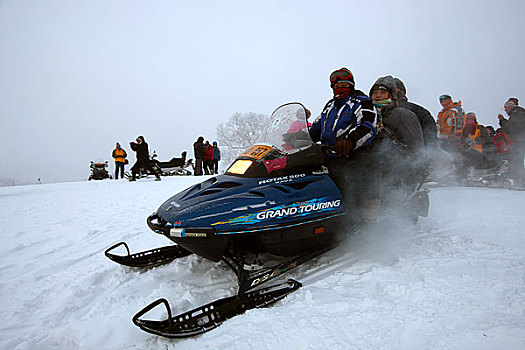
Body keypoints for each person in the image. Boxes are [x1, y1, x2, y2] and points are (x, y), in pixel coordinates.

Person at [309, 67, 379, 222]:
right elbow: (316, 128)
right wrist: (297, 136)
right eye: (335, 86)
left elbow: (367, 125)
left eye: (344, 85)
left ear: (351, 85)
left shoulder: (362, 101)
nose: (339, 88)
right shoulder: (329, 106)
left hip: (353, 153)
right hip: (329, 154)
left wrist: (350, 141)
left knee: (351, 177)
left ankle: (362, 216)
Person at [369, 76, 426, 193]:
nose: (378, 96)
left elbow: (416, 147)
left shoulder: (402, 115)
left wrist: (415, 175)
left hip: (399, 175)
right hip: (379, 175)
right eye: (375, 93)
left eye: (382, 92)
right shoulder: (371, 117)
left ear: (391, 96)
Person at [393, 78, 437, 161]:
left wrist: (424, 156)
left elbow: (430, 135)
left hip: (411, 159)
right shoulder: (378, 111)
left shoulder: (417, 111)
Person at [500, 98, 525, 187]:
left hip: (519, 141)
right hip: (518, 141)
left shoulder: (518, 114)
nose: (505, 110)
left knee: (517, 159)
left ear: (510, 106)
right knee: (515, 159)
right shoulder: (516, 114)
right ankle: (518, 178)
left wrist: (503, 127)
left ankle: (520, 180)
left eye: (506, 108)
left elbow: (513, 128)